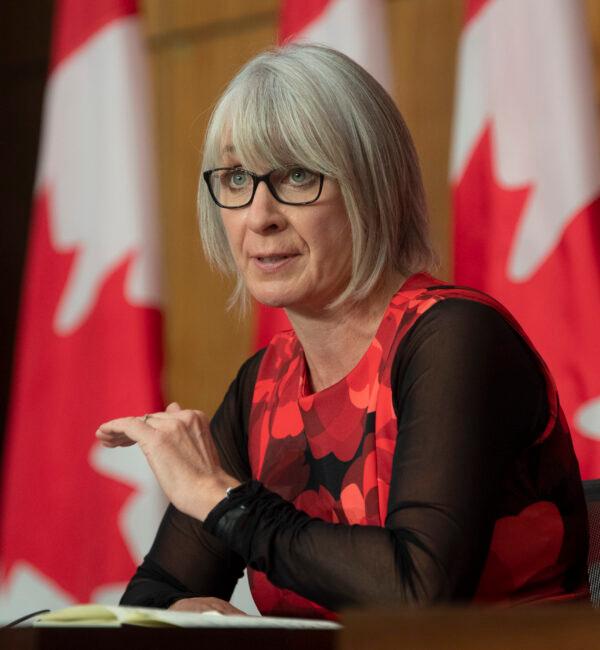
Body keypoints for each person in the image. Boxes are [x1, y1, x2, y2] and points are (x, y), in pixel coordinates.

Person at [96, 43, 589, 618]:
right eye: (235, 178)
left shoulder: (455, 339)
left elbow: (417, 592)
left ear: (372, 188)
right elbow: (152, 597)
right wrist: (186, 616)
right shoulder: (263, 387)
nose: (260, 216)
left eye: (298, 175)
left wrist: (219, 498)